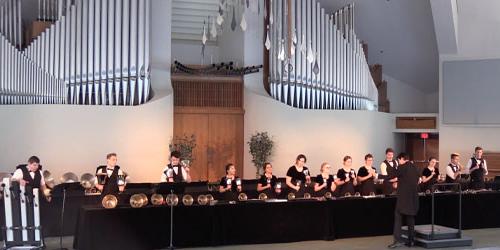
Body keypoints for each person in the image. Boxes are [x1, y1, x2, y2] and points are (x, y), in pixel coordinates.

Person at [388, 153, 420, 248]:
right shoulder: (415, 167)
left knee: (398, 217)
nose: (398, 162)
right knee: (410, 218)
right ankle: (411, 241)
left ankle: (397, 240)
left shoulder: (402, 167)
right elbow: (417, 179)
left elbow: (391, 175)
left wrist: (394, 166)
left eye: (398, 160)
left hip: (403, 198)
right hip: (413, 197)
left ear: (402, 159)